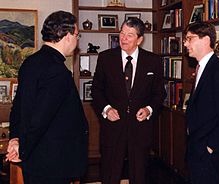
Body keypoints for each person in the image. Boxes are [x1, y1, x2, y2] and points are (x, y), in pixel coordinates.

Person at [5, 11, 89, 184]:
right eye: (76, 34)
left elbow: (18, 107)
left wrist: (15, 138)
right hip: (52, 162)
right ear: (67, 36)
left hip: (36, 159)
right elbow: (40, 118)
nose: (77, 39)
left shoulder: (30, 62)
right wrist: (23, 149)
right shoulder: (57, 71)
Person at [91, 18, 165, 184]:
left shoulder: (153, 61)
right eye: (122, 33)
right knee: (110, 172)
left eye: (129, 35)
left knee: (139, 174)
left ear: (139, 39)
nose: (123, 38)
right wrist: (106, 109)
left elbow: (159, 93)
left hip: (140, 128)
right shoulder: (105, 58)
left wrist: (148, 109)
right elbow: (96, 90)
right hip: (113, 126)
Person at [184, 22, 219, 184]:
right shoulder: (202, 67)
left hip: (209, 155)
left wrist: (210, 147)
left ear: (206, 40)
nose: (186, 43)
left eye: (189, 39)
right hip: (197, 150)